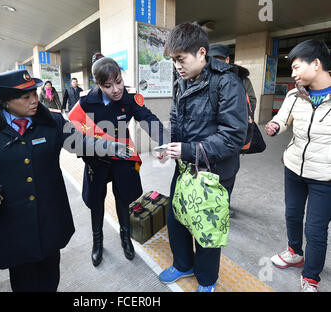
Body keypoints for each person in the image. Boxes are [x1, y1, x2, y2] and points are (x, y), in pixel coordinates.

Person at [0, 69, 130, 292]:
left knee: (50, 274)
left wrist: (109, 147)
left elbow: (77, 141)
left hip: (49, 218)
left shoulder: (51, 121)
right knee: (24, 280)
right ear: (5, 101)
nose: (35, 100)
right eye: (26, 97)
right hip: (12, 223)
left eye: (34, 92)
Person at [156, 22, 248, 292]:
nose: (177, 66)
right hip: (185, 166)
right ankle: (183, 264)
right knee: (177, 217)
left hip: (215, 172)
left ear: (201, 53)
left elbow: (233, 136)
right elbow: (175, 117)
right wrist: (170, 147)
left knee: (207, 229)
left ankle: (207, 280)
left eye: (180, 59)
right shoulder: (181, 81)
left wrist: (187, 150)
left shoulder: (227, 81)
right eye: (173, 61)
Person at [68, 53, 168, 267]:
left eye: (118, 82)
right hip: (98, 161)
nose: (115, 90)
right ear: (98, 85)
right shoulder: (86, 101)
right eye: (108, 86)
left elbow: (147, 118)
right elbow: (73, 132)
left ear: (122, 77)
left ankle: (125, 237)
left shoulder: (129, 97)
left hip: (123, 159)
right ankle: (98, 242)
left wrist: (163, 140)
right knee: (96, 202)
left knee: (124, 199)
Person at [265, 39, 331, 292]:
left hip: (324, 176)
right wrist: (274, 127)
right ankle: (294, 251)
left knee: (315, 229)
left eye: (296, 68)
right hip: (293, 168)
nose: (292, 74)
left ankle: (311, 277)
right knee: (292, 215)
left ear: (316, 64)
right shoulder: (294, 94)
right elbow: (282, 120)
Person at [208, 43, 257, 218]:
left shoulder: (239, 78)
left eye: (219, 60)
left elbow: (251, 102)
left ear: (227, 60)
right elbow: (252, 101)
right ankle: (219, 207)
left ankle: (221, 207)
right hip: (222, 136)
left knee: (225, 171)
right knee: (222, 172)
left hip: (226, 135)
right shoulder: (238, 79)